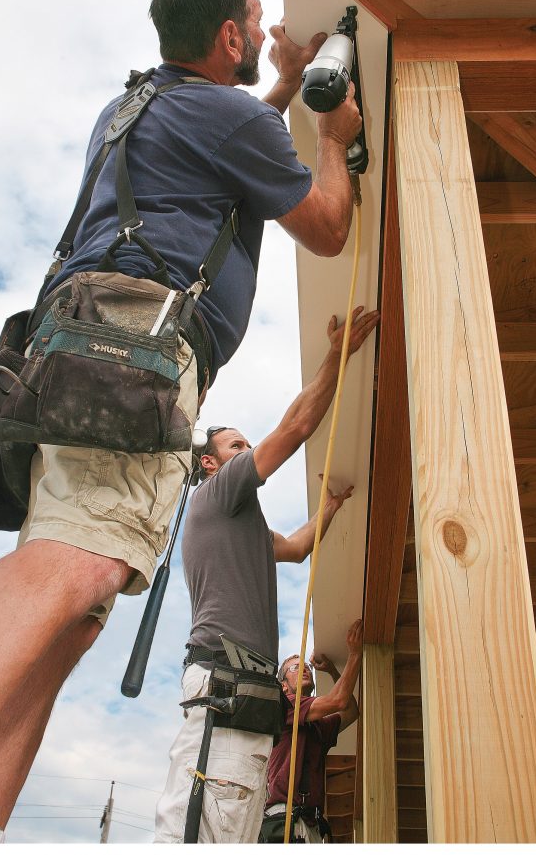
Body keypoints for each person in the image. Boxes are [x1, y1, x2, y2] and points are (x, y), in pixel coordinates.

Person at [0, 0, 363, 844]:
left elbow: (227, 152)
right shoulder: (222, 116)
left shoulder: (138, 108)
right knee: (76, 564)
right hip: (136, 351)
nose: (263, 28)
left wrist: (276, 91)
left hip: (83, 349)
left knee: (70, 616)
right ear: (232, 34)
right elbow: (325, 227)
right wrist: (330, 129)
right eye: (255, 15)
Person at [154, 307, 378, 844]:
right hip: (226, 687)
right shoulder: (219, 493)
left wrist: (330, 509)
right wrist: (336, 354)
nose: (247, 451)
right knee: (206, 826)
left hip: (246, 693)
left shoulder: (246, 526)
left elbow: (298, 549)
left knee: (232, 824)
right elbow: (297, 427)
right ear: (211, 464)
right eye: (236, 446)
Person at [262, 620, 363, 843]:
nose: (304, 669)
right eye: (295, 667)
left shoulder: (316, 727)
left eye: (305, 667)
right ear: (284, 686)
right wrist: (355, 654)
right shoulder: (285, 706)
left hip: (311, 824)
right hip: (286, 820)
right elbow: (338, 700)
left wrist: (332, 670)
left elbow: (351, 711)